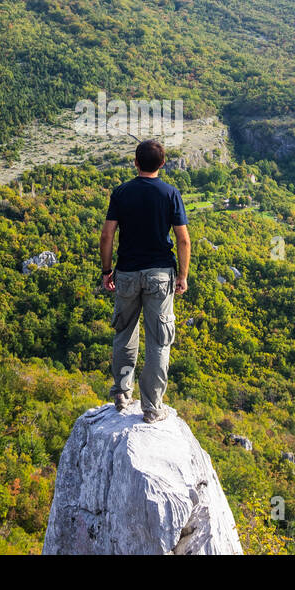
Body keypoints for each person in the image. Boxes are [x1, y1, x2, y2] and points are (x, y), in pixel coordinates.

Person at [99, 139, 190, 423]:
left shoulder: (121, 193)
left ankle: (122, 394)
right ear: (162, 164)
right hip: (160, 275)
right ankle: (151, 407)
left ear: (135, 163)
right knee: (159, 341)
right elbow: (183, 240)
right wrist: (183, 276)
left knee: (124, 332)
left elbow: (107, 236)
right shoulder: (170, 194)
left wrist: (106, 270)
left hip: (126, 273)